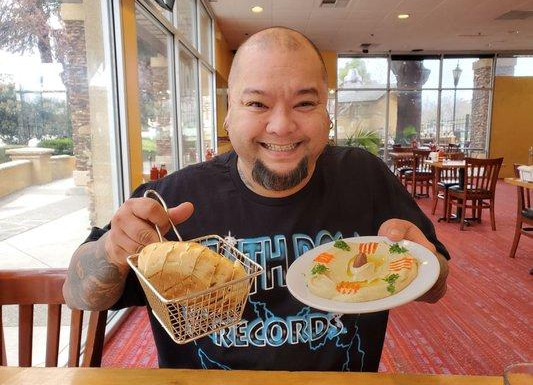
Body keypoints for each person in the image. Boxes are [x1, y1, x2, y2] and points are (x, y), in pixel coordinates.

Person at [63, 27, 449, 372]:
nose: (281, 125)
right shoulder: (172, 200)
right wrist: (114, 248)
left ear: (327, 115)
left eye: (304, 103)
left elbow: (437, 286)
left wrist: (422, 262)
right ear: (228, 115)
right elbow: (79, 295)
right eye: (257, 104)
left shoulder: (365, 177)